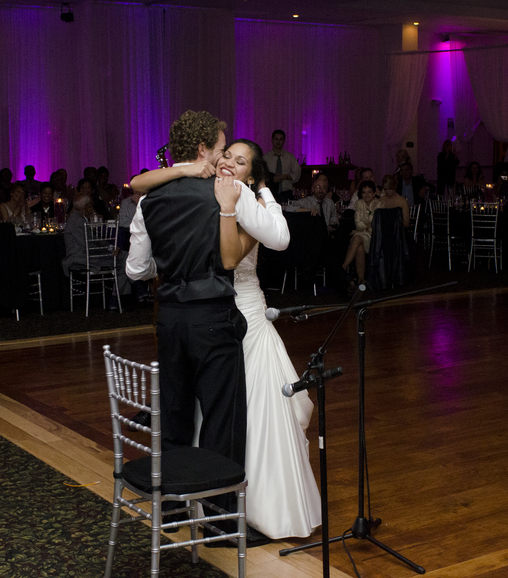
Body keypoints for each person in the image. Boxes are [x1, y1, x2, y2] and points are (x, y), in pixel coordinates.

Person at [131, 136, 318, 540]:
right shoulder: (210, 192)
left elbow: (275, 240)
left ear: (252, 174)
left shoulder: (241, 197)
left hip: (240, 311)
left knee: (247, 411)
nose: (230, 163)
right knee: (222, 414)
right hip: (218, 316)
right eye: (227, 154)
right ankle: (213, 502)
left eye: (240, 161)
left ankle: (239, 505)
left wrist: (256, 195)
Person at [343, 179, 382, 291]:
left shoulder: (379, 205)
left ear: (374, 193)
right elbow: (357, 224)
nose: (366, 195)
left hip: (373, 237)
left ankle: (343, 268)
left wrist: (367, 225)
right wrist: (368, 225)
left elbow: (376, 225)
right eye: (364, 192)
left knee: (357, 238)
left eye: (369, 192)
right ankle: (361, 280)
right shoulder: (359, 203)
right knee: (358, 243)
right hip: (361, 234)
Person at [263, 129, 301, 200]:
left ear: (284, 141)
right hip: (269, 193)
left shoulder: (290, 157)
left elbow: (297, 173)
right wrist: (271, 179)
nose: (278, 141)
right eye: (276, 139)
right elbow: (261, 175)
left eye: (281, 139)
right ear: (272, 140)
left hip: (287, 193)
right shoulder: (265, 158)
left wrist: (286, 177)